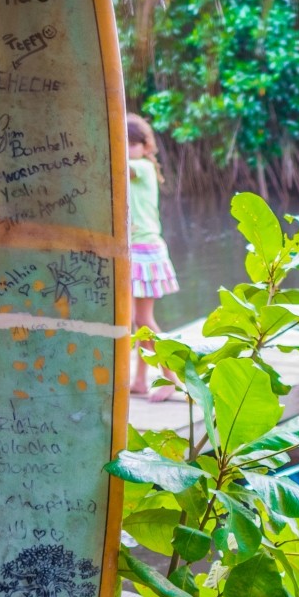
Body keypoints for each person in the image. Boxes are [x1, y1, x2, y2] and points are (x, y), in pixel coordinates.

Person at [127, 113, 180, 401]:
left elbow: (121, 168)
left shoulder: (142, 168)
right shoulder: (134, 166)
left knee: (144, 321)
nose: (126, 150)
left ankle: (171, 377)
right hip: (135, 251)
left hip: (146, 251)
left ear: (146, 147)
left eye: (131, 144)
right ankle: (139, 379)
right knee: (139, 322)